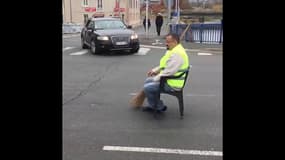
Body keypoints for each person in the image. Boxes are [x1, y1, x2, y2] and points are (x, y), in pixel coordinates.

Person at [142, 33, 189, 112]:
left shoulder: (178, 54)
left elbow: (169, 71)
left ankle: (159, 107)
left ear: (175, 42)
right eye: (166, 41)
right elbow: (165, 65)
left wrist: (156, 78)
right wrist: (155, 70)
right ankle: (154, 104)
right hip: (168, 79)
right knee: (148, 81)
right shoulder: (173, 50)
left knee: (148, 88)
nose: (166, 44)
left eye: (168, 42)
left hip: (173, 83)